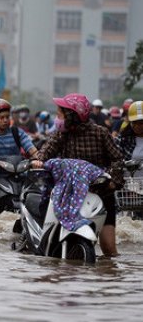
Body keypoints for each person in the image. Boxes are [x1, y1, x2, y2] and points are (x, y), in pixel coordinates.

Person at [32, 93, 124, 257]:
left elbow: (117, 158)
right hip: (69, 190)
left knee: (110, 250)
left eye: (60, 114)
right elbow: (47, 150)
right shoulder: (62, 134)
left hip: (101, 192)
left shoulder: (100, 133)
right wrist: (39, 160)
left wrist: (113, 181)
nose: (57, 118)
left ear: (72, 116)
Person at [0, 98, 39, 211]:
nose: (5, 120)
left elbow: (32, 149)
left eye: (7, 117)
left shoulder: (17, 132)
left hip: (18, 172)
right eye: (1, 118)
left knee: (35, 188)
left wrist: (38, 159)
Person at [116, 100, 143, 167]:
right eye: (134, 122)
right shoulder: (122, 139)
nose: (137, 126)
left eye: (141, 123)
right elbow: (116, 160)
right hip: (128, 177)